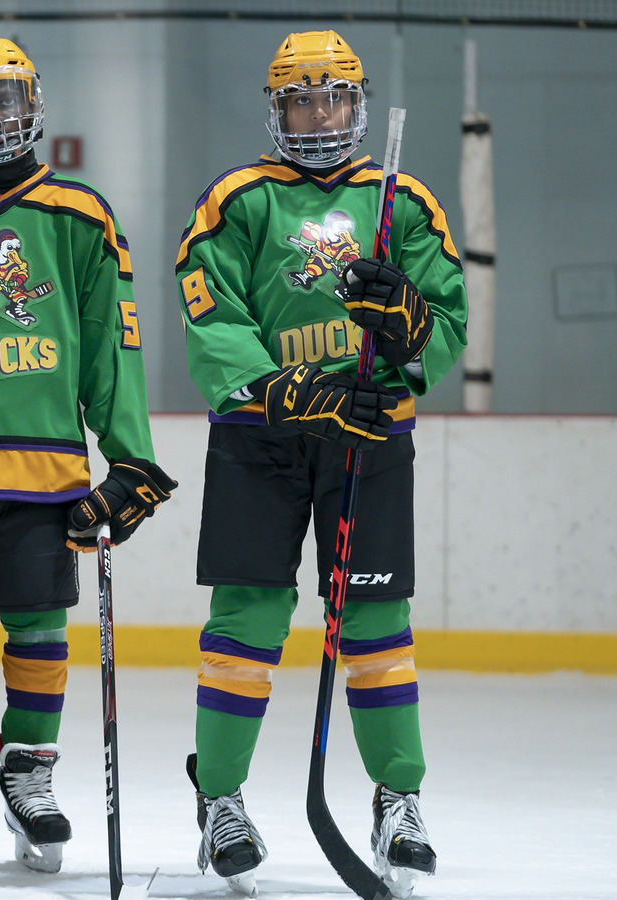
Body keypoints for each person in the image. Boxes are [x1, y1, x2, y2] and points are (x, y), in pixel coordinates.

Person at [175, 29, 465, 899]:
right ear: (277, 108)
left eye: (334, 96)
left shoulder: (402, 200)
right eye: (303, 98)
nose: (321, 113)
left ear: (359, 103)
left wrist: (409, 320)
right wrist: (288, 388)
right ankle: (219, 801)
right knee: (248, 622)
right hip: (263, 440)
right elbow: (209, 313)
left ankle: (397, 799)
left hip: (369, 440)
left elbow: (445, 317)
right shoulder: (239, 198)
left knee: (376, 627)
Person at [0, 39, 176, 876]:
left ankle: (28, 772)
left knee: (34, 626)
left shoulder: (80, 213)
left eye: (4, 100)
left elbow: (112, 346)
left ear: (31, 104)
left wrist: (131, 459)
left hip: (42, 473)